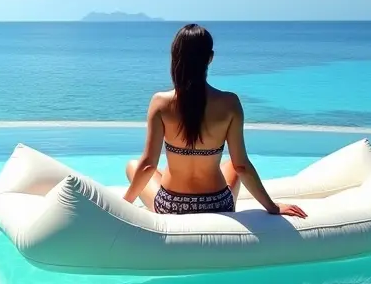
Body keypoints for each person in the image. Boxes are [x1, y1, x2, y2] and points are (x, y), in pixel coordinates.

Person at [122, 23, 307, 218]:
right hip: (217, 204)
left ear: (175, 57)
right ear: (209, 58)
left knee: (133, 166)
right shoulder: (230, 103)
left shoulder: (160, 103)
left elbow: (148, 165)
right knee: (232, 165)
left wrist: (123, 206)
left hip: (172, 205)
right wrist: (272, 207)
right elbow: (241, 166)